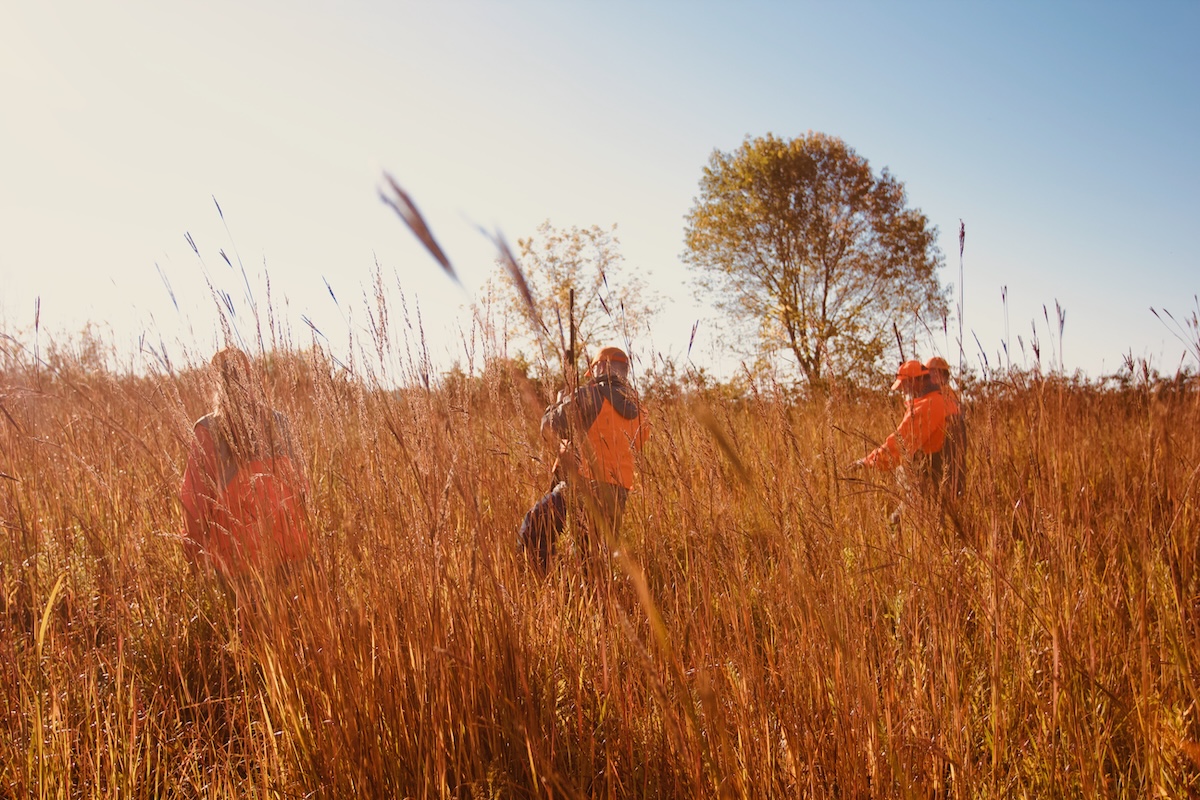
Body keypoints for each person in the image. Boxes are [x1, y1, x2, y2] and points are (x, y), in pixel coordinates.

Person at [180, 347, 311, 577]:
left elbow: (194, 502)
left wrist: (193, 554)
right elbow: (303, 489)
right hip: (290, 554)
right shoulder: (281, 422)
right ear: (251, 377)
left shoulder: (208, 429)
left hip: (236, 562)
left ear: (216, 382)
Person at [519, 346, 649, 568]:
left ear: (601, 367)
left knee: (534, 529)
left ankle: (542, 579)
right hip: (618, 493)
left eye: (594, 369)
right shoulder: (641, 410)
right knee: (592, 559)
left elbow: (549, 428)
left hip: (582, 485)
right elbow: (633, 445)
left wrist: (560, 402)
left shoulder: (590, 395)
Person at [855, 359, 949, 508]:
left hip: (934, 485)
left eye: (905, 385)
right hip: (946, 482)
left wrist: (867, 463)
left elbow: (900, 445)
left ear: (916, 381)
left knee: (897, 520)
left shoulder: (927, 406)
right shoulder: (945, 400)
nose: (903, 391)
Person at [924, 355, 967, 498]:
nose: (932, 377)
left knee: (952, 483)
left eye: (936, 373)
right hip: (939, 445)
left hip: (950, 445)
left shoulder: (947, 394)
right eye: (930, 373)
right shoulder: (931, 395)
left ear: (944, 375)